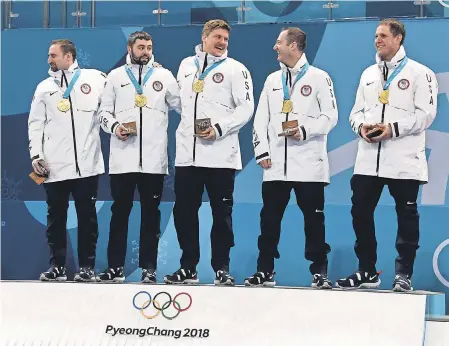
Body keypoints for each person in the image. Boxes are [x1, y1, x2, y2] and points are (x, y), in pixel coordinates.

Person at [336, 19, 438, 291]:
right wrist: (362, 127)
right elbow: (355, 112)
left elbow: (426, 114)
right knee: (360, 214)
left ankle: (404, 273)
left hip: (403, 161)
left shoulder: (420, 73)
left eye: (382, 36)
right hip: (368, 160)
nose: (377, 40)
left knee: (406, 218)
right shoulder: (368, 73)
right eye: (376, 36)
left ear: (398, 39)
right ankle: (367, 270)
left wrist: (392, 129)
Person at [245, 27, 338, 288]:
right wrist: (262, 151)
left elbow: (331, 116)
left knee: (314, 221)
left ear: (294, 45)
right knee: (269, 221)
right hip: (275, 165)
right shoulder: (273, 80)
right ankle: (265, 271)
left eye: (279, 42)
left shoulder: (320, 78)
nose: (275, 47)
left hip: (309, 163)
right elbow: (260, 119)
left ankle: (319, 271)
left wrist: (305, 131)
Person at [163, 19, 254, 286]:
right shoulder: (185, 66)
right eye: (217, 37)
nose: (222, 42)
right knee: (184, 213)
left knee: (221, 215)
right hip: (187, 156)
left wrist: (219, 128)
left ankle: (221, 268)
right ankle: (188, 267)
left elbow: (245, 108)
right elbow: (182, 103)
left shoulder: (237, 70)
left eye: (225, 39)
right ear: (204, 37)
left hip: (220, 155)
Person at [96, 31, 181, 283]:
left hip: (154, 162)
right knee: (119, 214)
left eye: (149, 47)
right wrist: (114, 127)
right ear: (129, 48)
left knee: (151, 217)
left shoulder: (164, 76)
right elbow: (103, 113)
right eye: (141, 47)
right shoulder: (115, 77)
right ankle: (115, 268)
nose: (145, 51)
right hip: (123, 160)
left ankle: (149, 268)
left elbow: (184, 106)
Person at [28, 39, 106, 282]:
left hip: (87, 165)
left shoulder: (95, 79)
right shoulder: (43, 87)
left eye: (53, 55)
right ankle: (58, 266)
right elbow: (35, 124)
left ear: (69, 57)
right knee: (56, 218)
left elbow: (117, 95)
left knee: (87, 218)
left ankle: (87, 267)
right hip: (54, 167)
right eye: (49, 55)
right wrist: (36, 156)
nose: (49, 60)